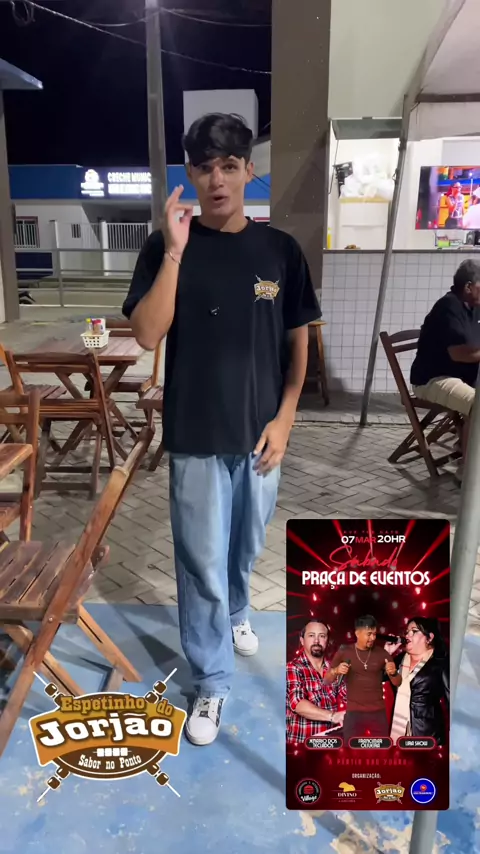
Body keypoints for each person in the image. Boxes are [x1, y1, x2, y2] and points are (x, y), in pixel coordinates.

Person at [123, 113, 320, 746]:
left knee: (244, 548)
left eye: (229, 166)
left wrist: (286, 418)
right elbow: (147, 334)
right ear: (190, 173)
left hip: (261, 436)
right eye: (205, 167)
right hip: (196, 433)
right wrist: (175, 249)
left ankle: (236, 611)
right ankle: (210, 681)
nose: (217, 180)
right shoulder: (165, 247)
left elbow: (297, 343)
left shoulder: (280, 251)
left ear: (248, 171)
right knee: (200, 562)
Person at [410, 259, 480, 483]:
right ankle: (467, 471)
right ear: (468, 287)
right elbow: (460, 354)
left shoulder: (473, 307)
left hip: (460, 375)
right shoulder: (448, 308)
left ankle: (465, 445)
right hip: (432, 379)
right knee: (477, 406)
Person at [324, 615, 402, 740]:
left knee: (382, 749)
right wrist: (336, 671)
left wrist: (393, 673)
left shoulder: (382, 653)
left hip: (378, 714)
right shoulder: (345, 651)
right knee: (350, 749)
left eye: (374, 634)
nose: (373, 638)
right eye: (369, 634)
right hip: (354, 714)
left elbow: (397, 682)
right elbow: (326, 680)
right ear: (357, 633)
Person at [385, 616, 449, 746]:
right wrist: (386, 654)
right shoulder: (399, 660)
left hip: (427, 734)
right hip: (399, 730)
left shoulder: (440, 662)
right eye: (407, 632)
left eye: (414, 631)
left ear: (429, 637)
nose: (407, 635)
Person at [286, 620, 346, 744]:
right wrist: (333, 716)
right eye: (311, 635)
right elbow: (297, 703)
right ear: (302, 640)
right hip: (302, 745)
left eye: (322, 636)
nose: (317, 641)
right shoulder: (293, 667)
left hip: (330, 744)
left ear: (327, 641)